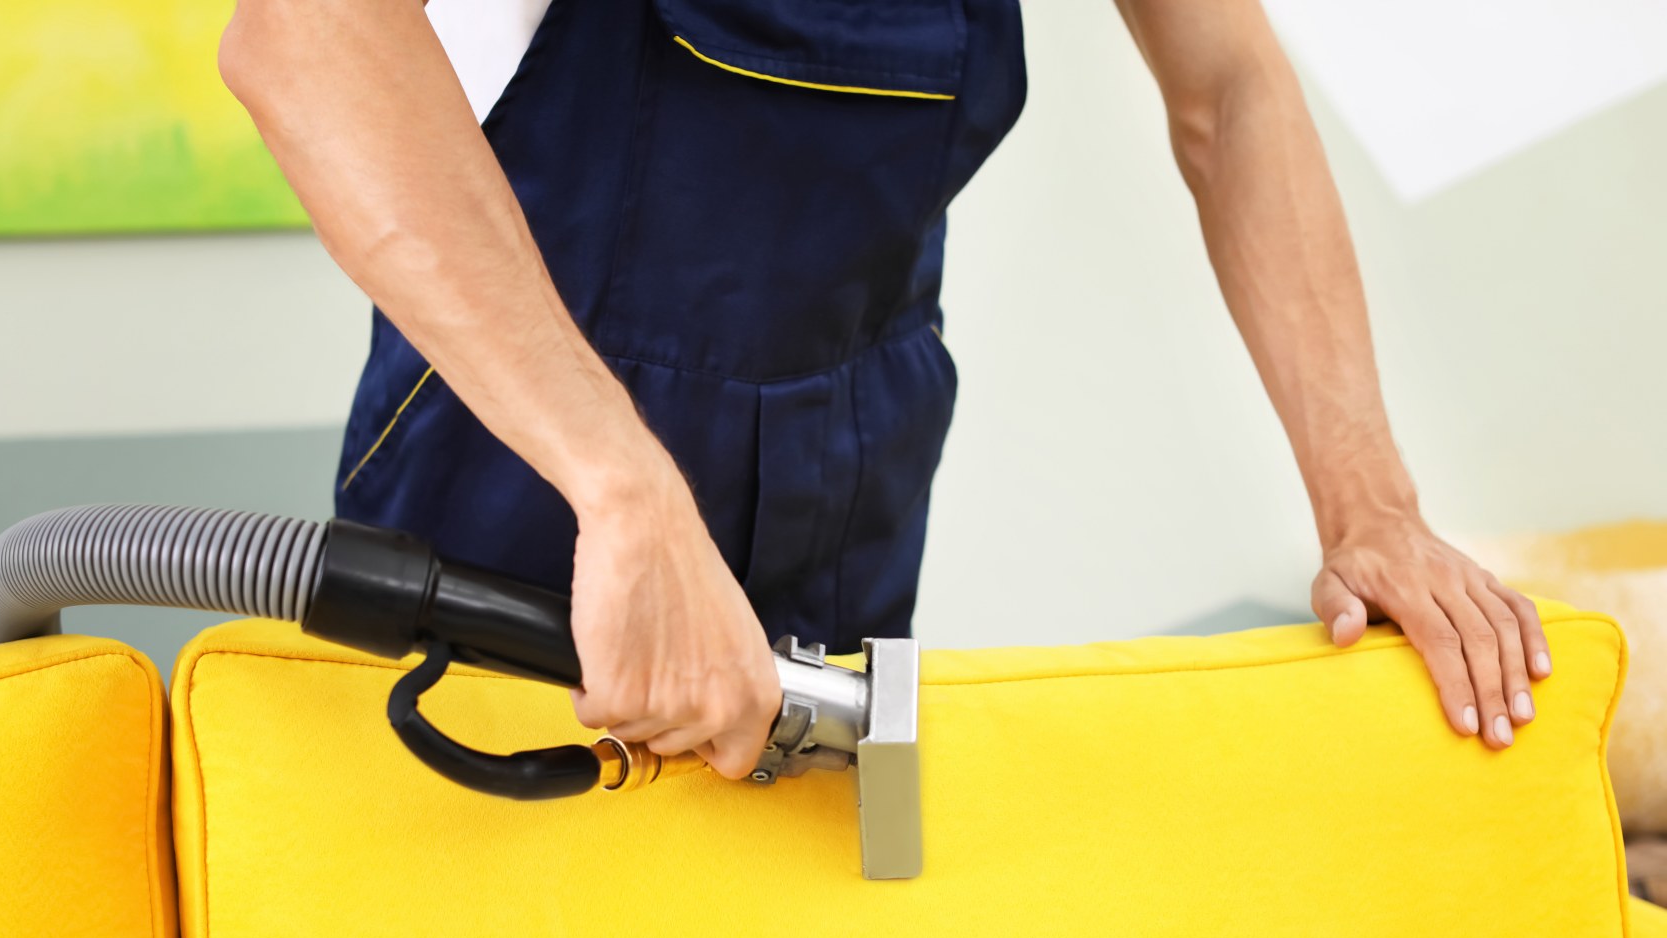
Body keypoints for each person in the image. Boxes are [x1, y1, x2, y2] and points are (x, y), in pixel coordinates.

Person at [219, 0, 1551, 780]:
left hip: (848, 461)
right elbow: (302, 40)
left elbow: (1231, 87)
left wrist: (1371, 505)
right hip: (527, 459)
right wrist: (624, 491)